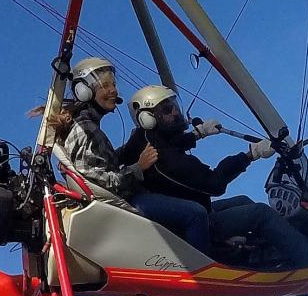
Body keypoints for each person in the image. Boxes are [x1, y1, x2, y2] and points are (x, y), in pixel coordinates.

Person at [120, 84, 308, 270]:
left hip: (178, 212)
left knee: (242, 201)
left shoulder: (142, 139)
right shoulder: (164, 159)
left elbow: (170, 143)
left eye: (174, 105)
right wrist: (250, 155)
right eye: (167, 110)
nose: (175, 112)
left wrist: (198, 133)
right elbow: (214, 183)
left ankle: (264, 251)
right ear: (148, 119)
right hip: (190, 227)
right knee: (260, 213)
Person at [50, 57, 213, 254]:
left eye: (114, 85)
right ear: (83, 91)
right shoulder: (86, 130)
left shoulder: (86, 126)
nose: (113, 91)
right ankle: (208, 269)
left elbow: (101, 163)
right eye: (105, 86)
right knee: (196, 214)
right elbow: (105, 182)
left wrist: (196, 134)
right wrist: (139, 167)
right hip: (125, 201)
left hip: (121, 198)